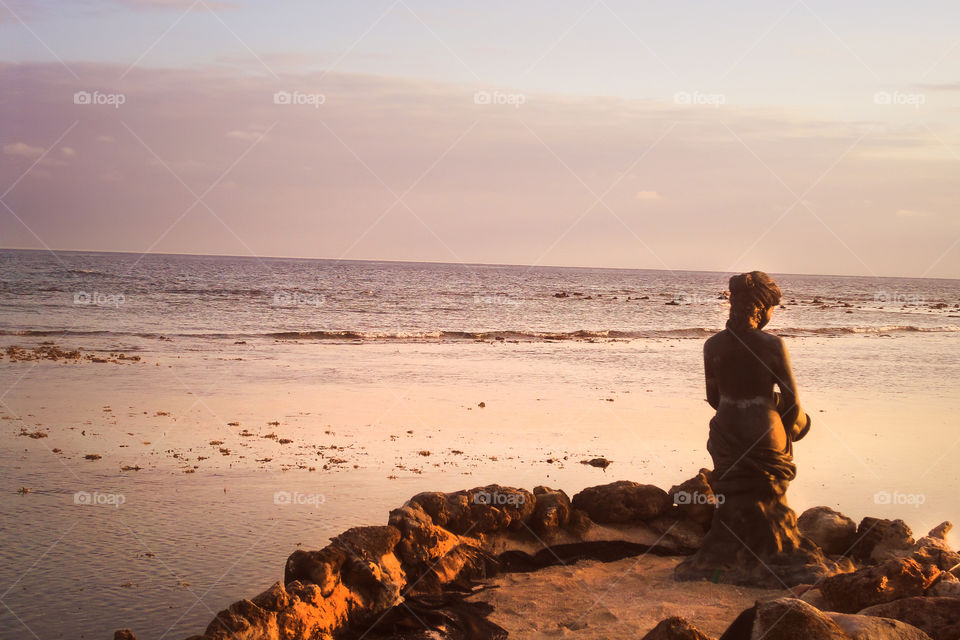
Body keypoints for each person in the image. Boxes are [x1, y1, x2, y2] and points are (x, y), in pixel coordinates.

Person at [675, 271, 840, 587]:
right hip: (764, 431)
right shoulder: (772, 344)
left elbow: (714, 397)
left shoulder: (712, 346)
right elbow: (791, 402)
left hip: (724, 431)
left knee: (733, 497)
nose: (770, 315)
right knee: (768, 497)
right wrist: (792, 429)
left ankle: (728, 553)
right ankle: (771, 551)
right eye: (771, 308)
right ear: (761, 307)